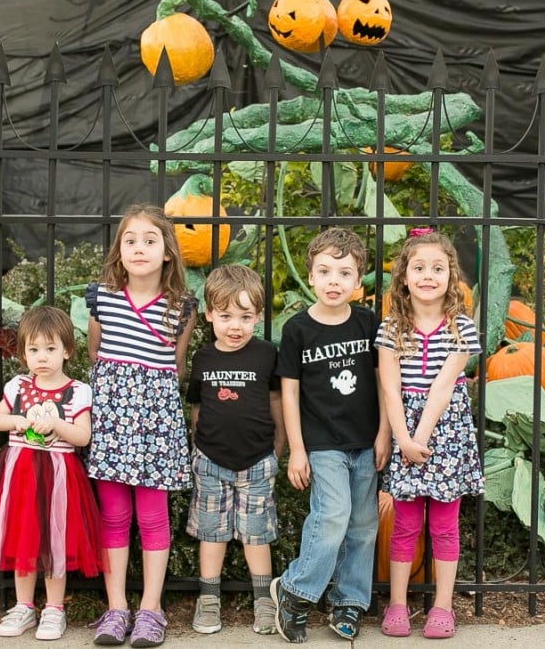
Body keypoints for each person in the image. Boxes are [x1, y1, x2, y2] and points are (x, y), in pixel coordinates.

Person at [270, 227, 391, 643]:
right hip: (321, 443)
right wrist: (297, 450)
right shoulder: (298, 329)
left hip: (364, 440)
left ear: (359, 281)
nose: (334, 281)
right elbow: (289, 391)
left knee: (363, 524)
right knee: (333, 515)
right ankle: (295, 591)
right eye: (324, 271)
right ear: (311, 276)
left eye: (344, 272)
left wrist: (384, 433)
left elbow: (383, 381)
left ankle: (348, 602)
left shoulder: (368, 322)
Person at [85, 203, 196, 648]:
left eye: (150, 240)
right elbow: (95, 355)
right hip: (113, 420)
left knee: (153, 517)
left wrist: (150, 401)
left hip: (157, 423)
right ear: (119, 250)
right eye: (130, 240)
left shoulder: (181, 308)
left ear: (167, 252)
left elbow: (177, 364)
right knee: (113, 515)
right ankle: (116, 608)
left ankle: (150, 609)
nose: (139, 248)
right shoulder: (101, 298)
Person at [375, 228, 485, 640]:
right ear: (404, 276)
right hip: (406, 426)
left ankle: (442, 606)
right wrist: (402, 438)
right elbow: (389, 385)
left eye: (438, 268)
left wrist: (417, 438)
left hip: (446, 431)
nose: (428, 276)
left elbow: (442, 388)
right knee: (404, 524)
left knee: (444, 524)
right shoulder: (390, 328)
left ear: (451, 277)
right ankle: (399, 604)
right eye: (418, 267)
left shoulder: (461, 328)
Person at [0, 305, 103, 641]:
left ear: (67, 351)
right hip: (22, 474)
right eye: (33, 349)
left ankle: (54, 609)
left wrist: (57, 423)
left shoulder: (78, 391)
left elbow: (83, 436)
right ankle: (24, 606)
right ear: (23, 353)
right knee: (24, 537)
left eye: (50, 348)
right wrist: (18, 420)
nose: (41, 357)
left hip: (59, 475)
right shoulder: (17, 387)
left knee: (55, 541)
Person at [185, 263, 286, 636]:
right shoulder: (204, 359)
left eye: (245, 317)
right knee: (212, 533)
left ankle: (264, 600)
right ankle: (208, 599)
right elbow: (196, 406)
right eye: (226, 316)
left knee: (256, 534)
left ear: (258, 317)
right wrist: (200, 443)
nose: (235, 326)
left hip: (257, 461)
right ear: (210, 314)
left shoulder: (265, 355)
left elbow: (276, 400)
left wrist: (279, 445)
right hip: (210, 461)